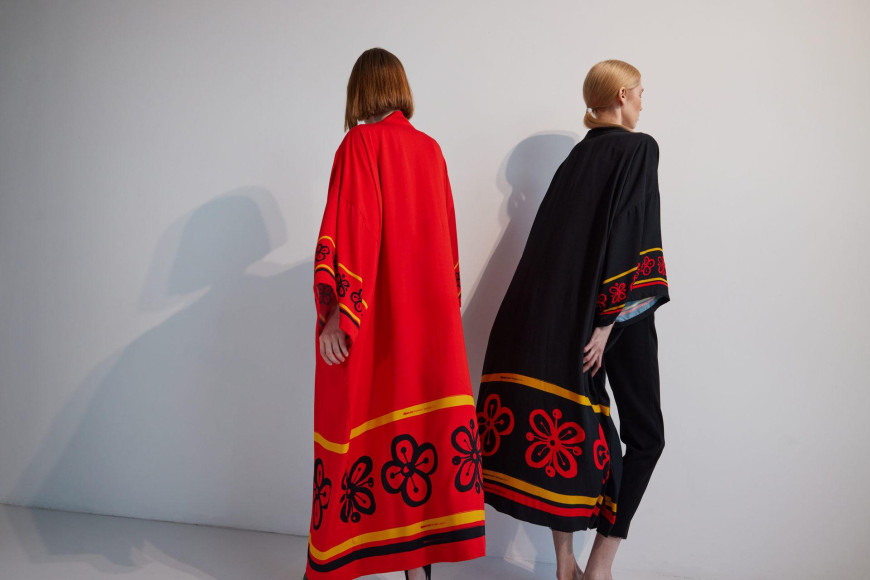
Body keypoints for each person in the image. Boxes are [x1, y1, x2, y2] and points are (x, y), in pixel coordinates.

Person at [475, 59, 669, 580]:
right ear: (623, 95)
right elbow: (632, 228)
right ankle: (599, 567)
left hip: (559, 320)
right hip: (618, 315)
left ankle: (566, 565)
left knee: (570, 420)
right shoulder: (640, 148)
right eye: (641, 92)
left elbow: (552, 249)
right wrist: (606, 322)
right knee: (646, 436)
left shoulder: (574, 159)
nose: (643, 101)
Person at [305, 48, 485, 580]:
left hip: (380, 322)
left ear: (360, 90)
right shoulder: (431, 150)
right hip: (430, 324)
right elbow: (448, 244)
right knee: (421, 442)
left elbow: (353, 225)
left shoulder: (360, 143)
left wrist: (339, 313)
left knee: (358, 423)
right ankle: (417, 571)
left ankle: (342, 557)